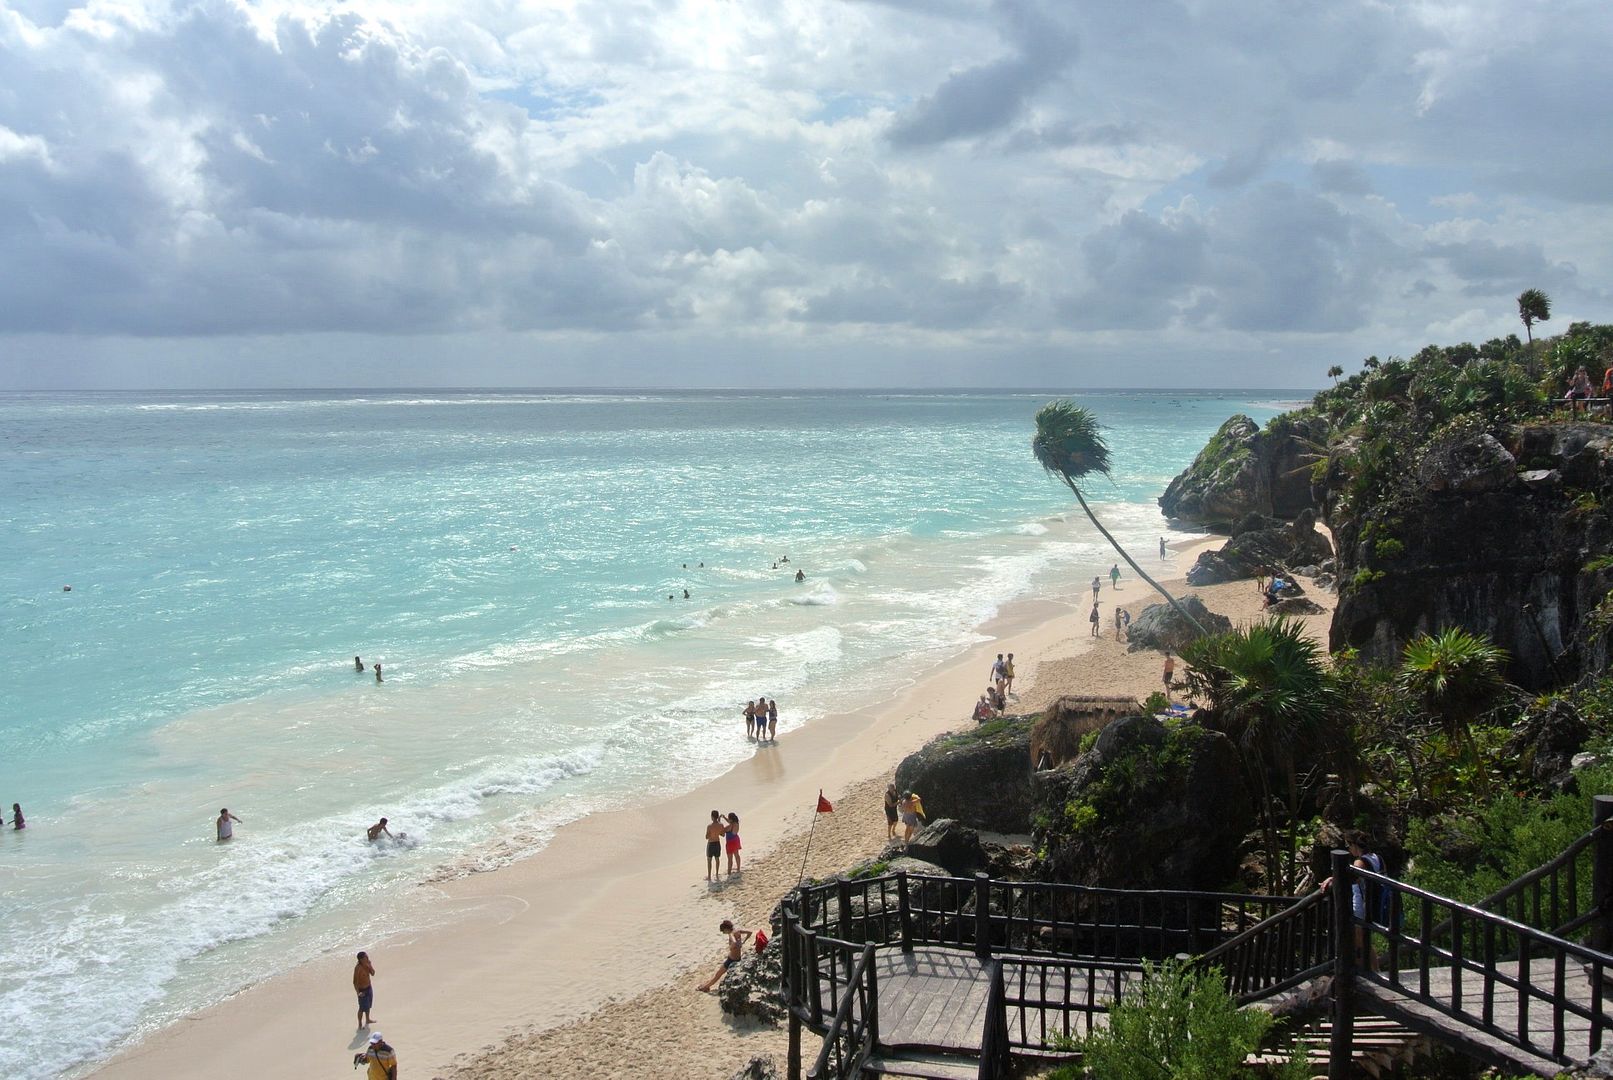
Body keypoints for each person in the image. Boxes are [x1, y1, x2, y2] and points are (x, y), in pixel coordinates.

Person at [696, 920, 753, 992]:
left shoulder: (731, 934)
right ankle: (706, 985)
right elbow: (750, 932)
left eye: (723, 931)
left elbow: (734, 942)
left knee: (717, 975)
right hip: (738, 958)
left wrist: (731, 947)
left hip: (731, 960)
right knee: (718, 974)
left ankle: (705, 987)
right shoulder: (738, 930)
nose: (723, 933)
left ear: (726, 929)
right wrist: (743, 941)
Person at [353, 951, 377, 1027]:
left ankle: (368, 1019)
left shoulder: (367, 964)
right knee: (361, 1008)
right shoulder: (358, 968)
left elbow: (373, 973)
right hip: (362, 990)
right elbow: (355, 982)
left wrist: (369, 965)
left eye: (367, 957)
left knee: (368, 1005)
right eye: (365, 957)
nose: (367, 958)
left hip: (369, 987)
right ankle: (360, 1024)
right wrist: (358, 993)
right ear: (361, 959)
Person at [704, 810, 726, 882]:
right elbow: (723, 835)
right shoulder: (721, 825)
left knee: (709, 860)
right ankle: (716, 874)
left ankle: (709, 876)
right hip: (717, 843)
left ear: (712, 817)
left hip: (711, 844)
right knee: (717, 859)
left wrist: (710, 834)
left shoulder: (709, 826)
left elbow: (707, 837)